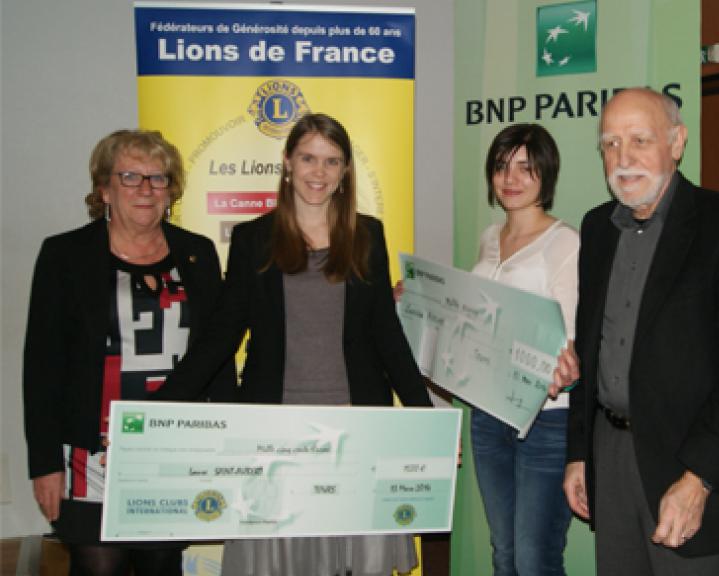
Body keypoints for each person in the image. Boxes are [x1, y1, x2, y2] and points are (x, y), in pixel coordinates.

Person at [153, 113, 431, 576]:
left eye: (331, 161)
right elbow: (220, 337)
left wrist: (424, 419)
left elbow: (387, 334)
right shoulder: (252, 239)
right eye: (308, 158)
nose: (318, 172)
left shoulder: (368, 235)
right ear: (287, 163)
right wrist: (159, 410)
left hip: (355, 426)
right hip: (274, 432)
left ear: (344, 173)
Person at [556, 87, 719, 575]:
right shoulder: (597, 229)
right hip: (610, 457)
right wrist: (579, 455)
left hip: (690, 462)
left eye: (640, 139)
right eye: (610, 144)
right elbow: (592, 351)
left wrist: (699, 479)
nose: (623, 157)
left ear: (676, 142)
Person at [23, 129, 234, 575]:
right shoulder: (66, 256)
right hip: (91, 455)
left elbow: (215, 356)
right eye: (130, 177)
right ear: (104, 189)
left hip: (172, 447)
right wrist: (44, 465)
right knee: (98, 566)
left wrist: (228, 447)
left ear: (170, 191)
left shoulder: (197, 253)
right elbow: (41, 368)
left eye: (157, 179)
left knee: (161, 563)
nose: (145, 189)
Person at [469, 123, 579, 575]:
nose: (510, 179)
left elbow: (568, 336)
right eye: (501, 167)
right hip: (487, 413)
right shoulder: (488, 237)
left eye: (525, 168)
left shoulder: (565, 242)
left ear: (546, 176)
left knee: (535, 558)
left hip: (546, 417)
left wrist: (565, 360)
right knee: (504, 551)